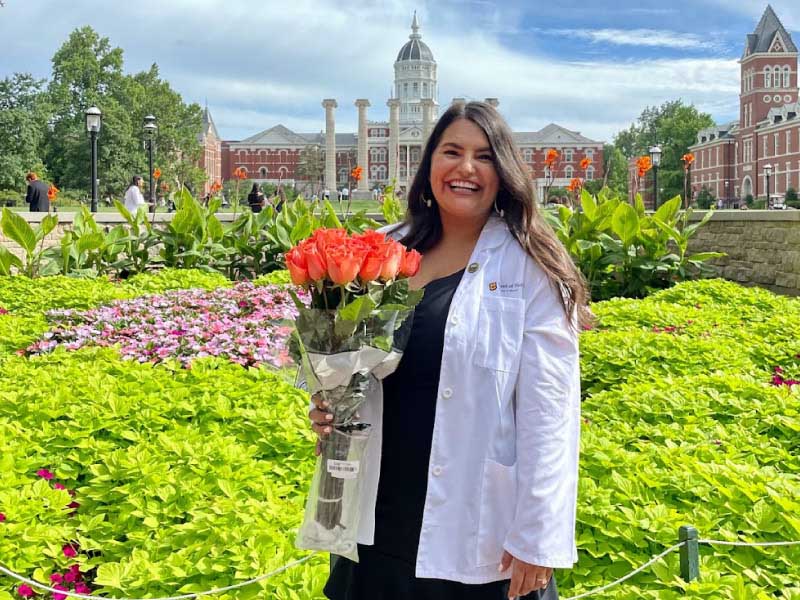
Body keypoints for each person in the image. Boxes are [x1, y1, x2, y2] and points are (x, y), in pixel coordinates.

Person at [309, 101, 588, 599]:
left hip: (478, 529)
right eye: (452, 151)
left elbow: (552, 413)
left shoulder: (531, 267)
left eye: (483, 156)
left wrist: (539, 537)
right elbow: (353, 365)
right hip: (378, 520)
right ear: (428, 163)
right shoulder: (384, 252)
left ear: (503, 172)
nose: (466, 168)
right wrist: (333, 405)